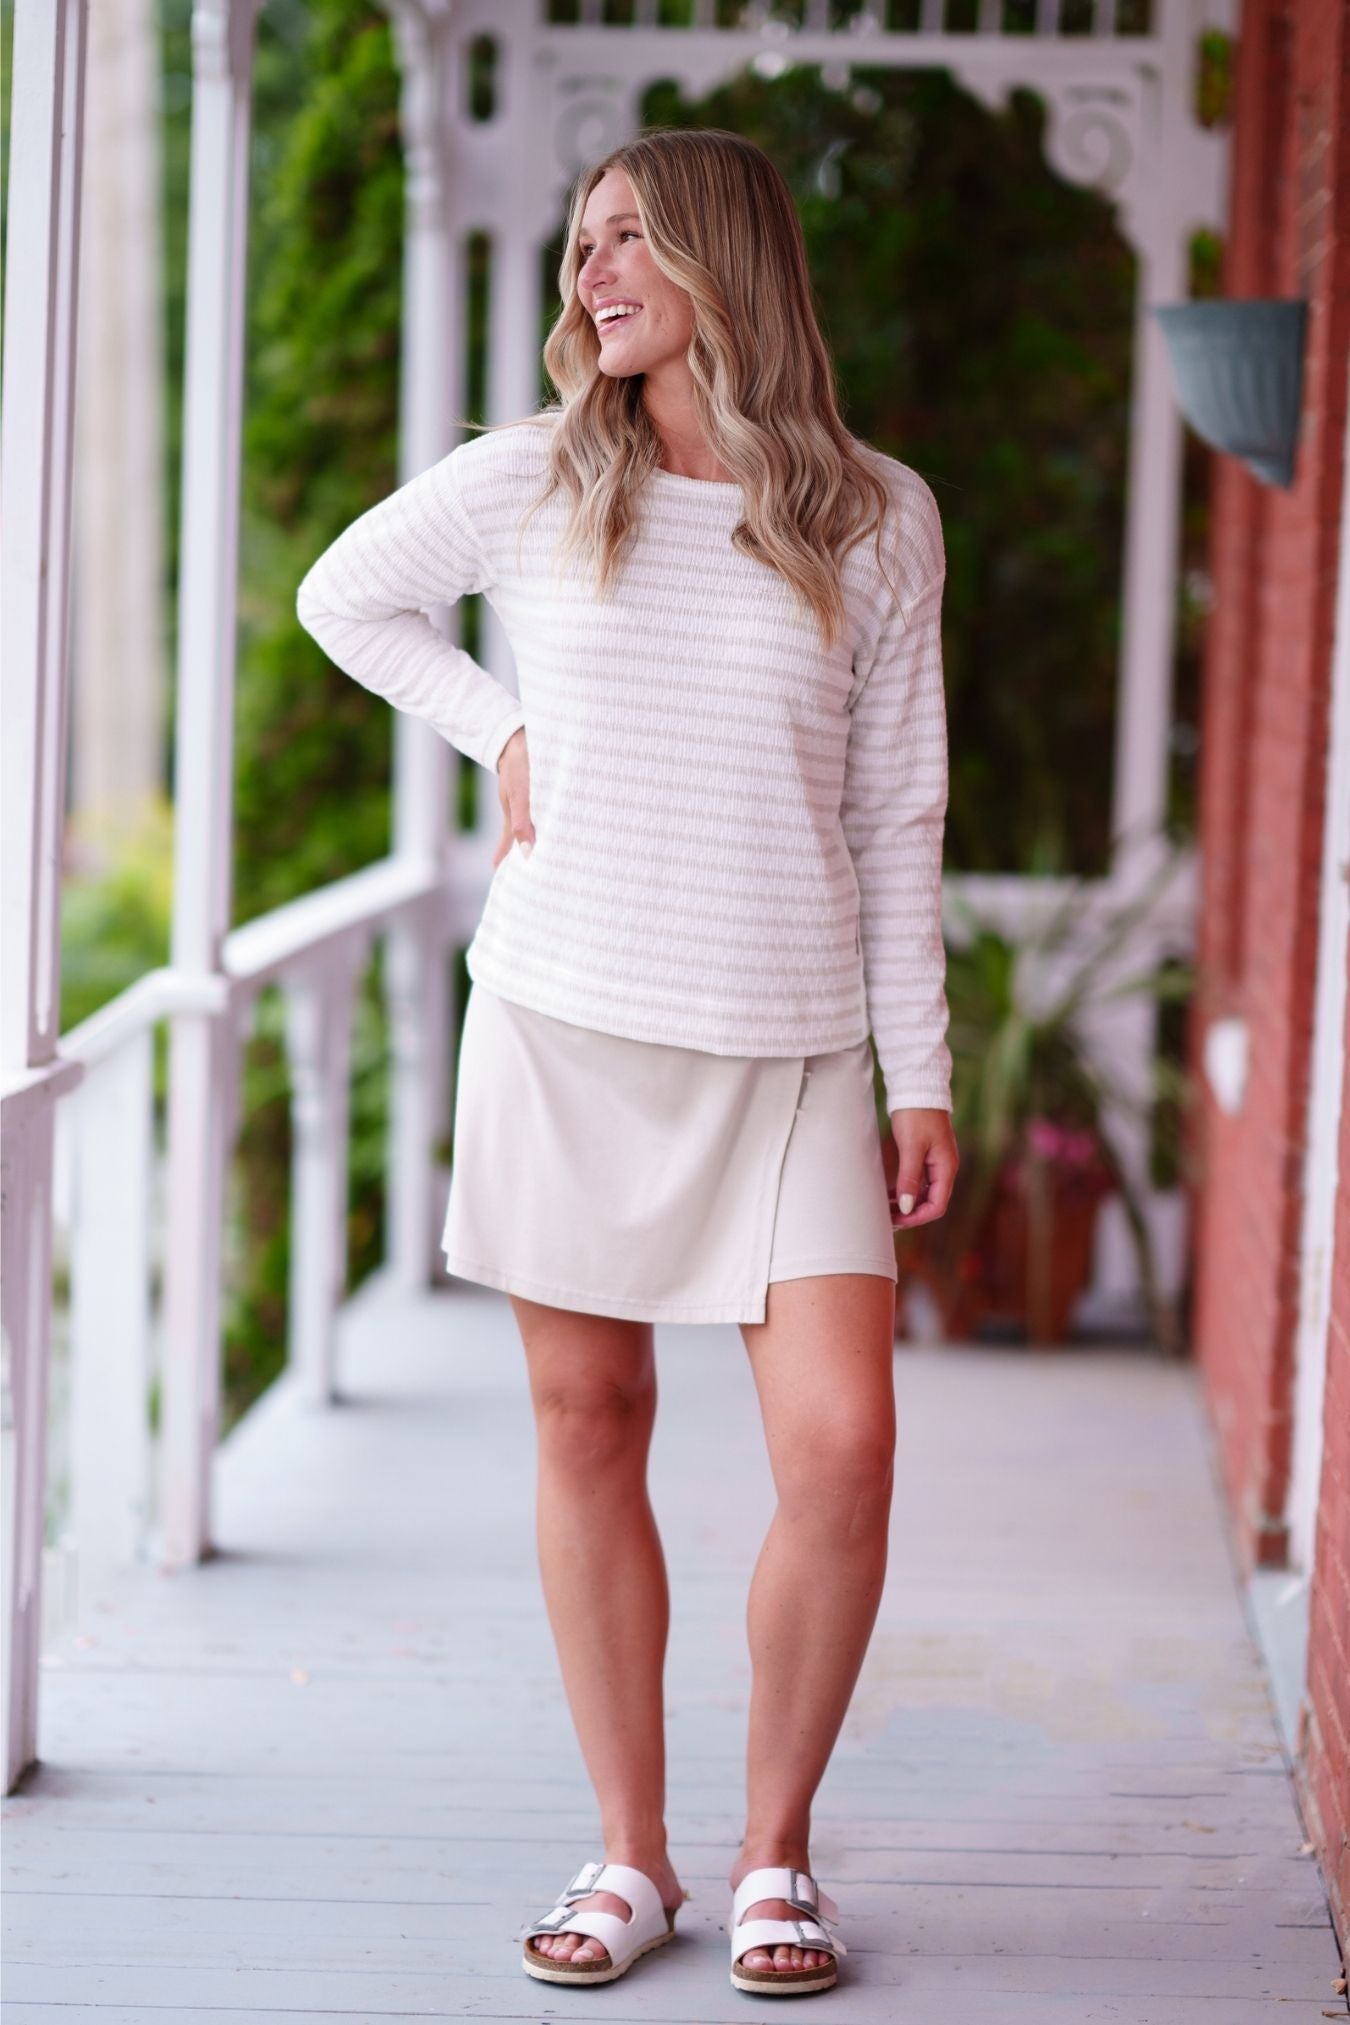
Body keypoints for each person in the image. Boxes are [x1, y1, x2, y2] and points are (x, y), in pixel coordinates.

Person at [296, 125, 958, 1999]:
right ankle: (632, 1852)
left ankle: (772, 1857)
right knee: (590, 1426)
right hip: (569, 1017)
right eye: (581, 245)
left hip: (798, 1042)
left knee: (843, 1448)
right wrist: (499, 729)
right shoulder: (532, 480)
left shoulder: (873, 516)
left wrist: (920, 1071)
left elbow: (895, 809)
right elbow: (346, 598)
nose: (591, 277)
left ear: (722, 258)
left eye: (626, 241)